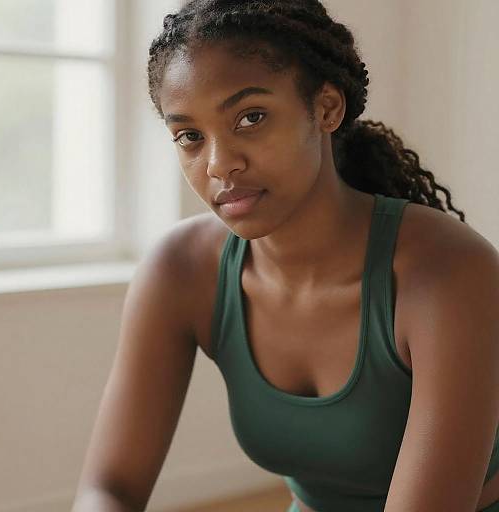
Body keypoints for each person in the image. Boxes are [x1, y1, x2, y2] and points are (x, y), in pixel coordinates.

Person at [71, 1, 499, 511]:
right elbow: (109, 489)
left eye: (250, 118)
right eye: (189, 136)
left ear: (326, 108)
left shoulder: (449, 273)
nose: (219, 164)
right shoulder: (180, 271)